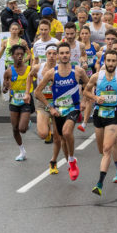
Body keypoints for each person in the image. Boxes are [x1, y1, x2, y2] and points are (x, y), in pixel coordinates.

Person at [33, 42, 89, 181]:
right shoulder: (52, 73)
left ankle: (71, 159)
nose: (64, 55)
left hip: (73, 107)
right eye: (62, 53)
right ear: (58, 55)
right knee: (63, 140)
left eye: (67, 53)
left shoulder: (78, 71)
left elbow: (89, 85)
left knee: (66, 132)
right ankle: (71, 162)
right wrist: (50, 107)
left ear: (70, 54)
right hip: (58, 110)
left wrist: (84, 101)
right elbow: (37, 92)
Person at [84, 50, 117, 196]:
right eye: (108, 61)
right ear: (104, 62)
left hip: (113, 115)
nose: (110, 63)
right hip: (99, 115)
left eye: (113, 61)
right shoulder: (97, 77)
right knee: (101, 150)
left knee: (107, 148)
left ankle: (99, 184)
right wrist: (96, 98)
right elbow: (86, 91)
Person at [27, 44, 64, 174]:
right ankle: (47, 129)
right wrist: (27, 92)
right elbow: (29, 76)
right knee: (42, 134)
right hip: (42, 103)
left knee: (58, 138)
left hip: (58, 104)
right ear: (46, 55)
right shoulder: (39, 67)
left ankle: (53, 162)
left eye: (55, 53)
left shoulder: (62, 69)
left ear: (58, 56)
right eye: (50, 53)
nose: (52, 56)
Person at [2, 45, 33, 162]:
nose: (20, 56)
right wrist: (5, 88)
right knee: (15, 128)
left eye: (22, 54)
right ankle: (22, 151)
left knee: (22, 129)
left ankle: (26, 122)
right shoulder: (8, 72)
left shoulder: (30, 69)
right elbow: (4, 89)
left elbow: (38, 82)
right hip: (14, 102)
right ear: (12, 56)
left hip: (26, 101)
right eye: (17, 54)